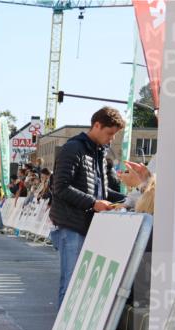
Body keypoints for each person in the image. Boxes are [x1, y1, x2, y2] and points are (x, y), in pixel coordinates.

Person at [49, 106, 126, 306]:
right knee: (72, 283)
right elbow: (61, 187)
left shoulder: (98, 152)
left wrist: (129, 200)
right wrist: (93, 203)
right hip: (72, 227)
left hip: (88, 226)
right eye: (110, 134)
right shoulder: (74, 148)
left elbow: (103, 192)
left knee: (81, 286)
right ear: (97, 126)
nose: (112, 139)